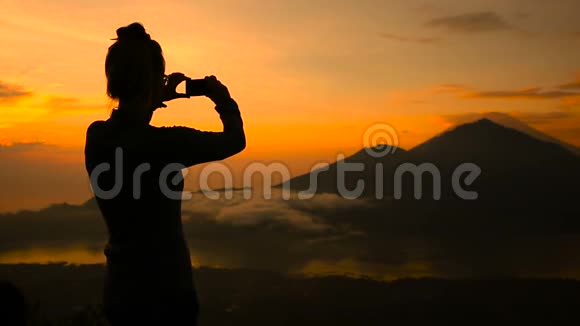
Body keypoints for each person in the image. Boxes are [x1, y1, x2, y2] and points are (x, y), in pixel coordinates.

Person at [84, 22, 245, 325]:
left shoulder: (96, 137)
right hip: (167, 294)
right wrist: (223, 99)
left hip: (120, 291)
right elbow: (235, 140)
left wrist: (153, 97)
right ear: (153, 82)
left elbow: (129, 129)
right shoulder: (167, 143)